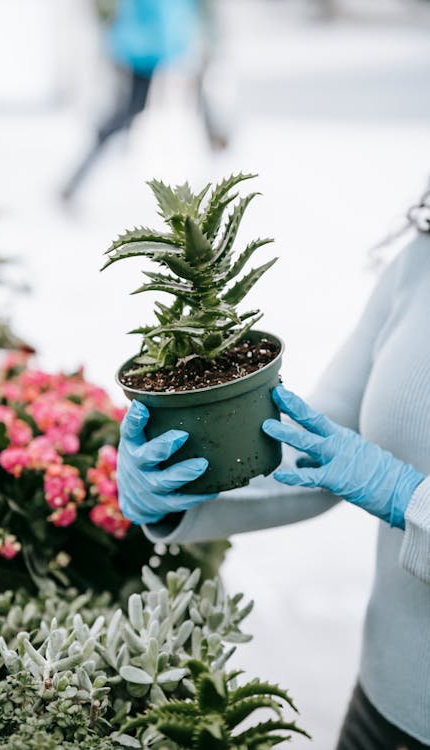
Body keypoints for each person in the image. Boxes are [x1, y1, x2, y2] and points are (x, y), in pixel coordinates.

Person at [116, 195, 430, 750]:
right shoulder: (420, 257)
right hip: (384, 707)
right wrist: (180, 486)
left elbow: (369, 472)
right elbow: (313, 443)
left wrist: (411, 498)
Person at [61, 0, 224, 202]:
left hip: (166, 48)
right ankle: (78, 176)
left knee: (189, 108)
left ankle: (215, 156)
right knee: (127, 112)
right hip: (141, 51)